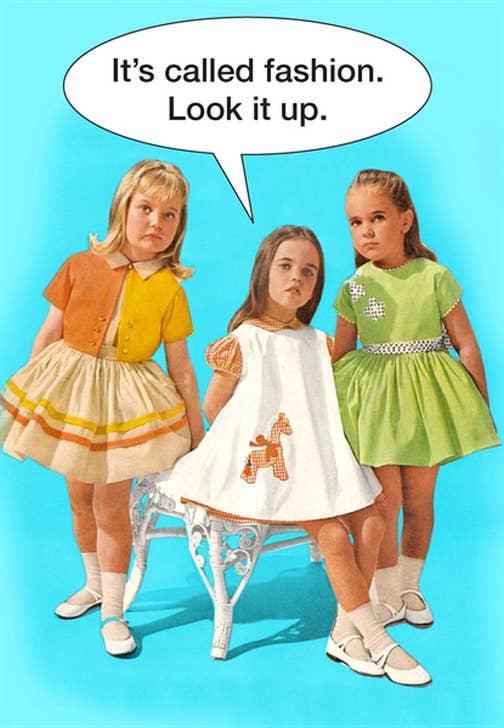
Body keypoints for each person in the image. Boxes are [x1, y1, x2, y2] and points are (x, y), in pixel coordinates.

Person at [151, 225, 431, 685]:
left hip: (314, 458)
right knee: (335, 538)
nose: (296, 278)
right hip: (264, 462)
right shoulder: (243, 340)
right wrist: (260, 442)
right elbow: (214, 406)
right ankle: (377, 639)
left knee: (375, 520)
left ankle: (344, 631)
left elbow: (326, 401)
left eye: (309, 271)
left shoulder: (318, 342)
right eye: (286, 266)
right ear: (264, 271)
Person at [0, 160, 205, 656]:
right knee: (78, 497)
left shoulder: (169, 289)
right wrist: (32, 401)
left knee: (111, 504)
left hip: (126, 401)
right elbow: (50, 331)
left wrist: (198, 431)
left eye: (171, 214)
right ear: (122, 208)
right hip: (72, 389)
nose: (156, 222)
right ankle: (93, 583)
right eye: (146, 208)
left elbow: (181, 367)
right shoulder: (78, 265)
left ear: (180, 225)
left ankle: (114, 610)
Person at [332, 169, 499, 628]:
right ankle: (384, 593)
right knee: (384, 504)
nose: (365, 231)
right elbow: (340, 354)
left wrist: (478, 403)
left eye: (377, 218)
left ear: (405, 220)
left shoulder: (434, 277)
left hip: (426, 403)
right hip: (378, 406)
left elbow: (465, 343)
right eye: (355, 222)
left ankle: (410, 585)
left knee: (419, 500)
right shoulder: (355, 287)